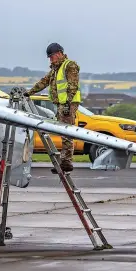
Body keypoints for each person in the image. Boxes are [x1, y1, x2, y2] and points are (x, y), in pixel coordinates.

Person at [21, 43, 81, 173]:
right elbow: (43, 82)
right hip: (61, 104)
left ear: (59, 53)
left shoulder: (69, 66)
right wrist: (29, 92)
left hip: (68, 104)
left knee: (66, 133)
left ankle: (66, 162)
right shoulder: (55, 69)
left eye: (52, 56)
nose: (50, 59)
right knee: (64, 132)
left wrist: (67, 104)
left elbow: (73, 85)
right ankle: (65, 161)